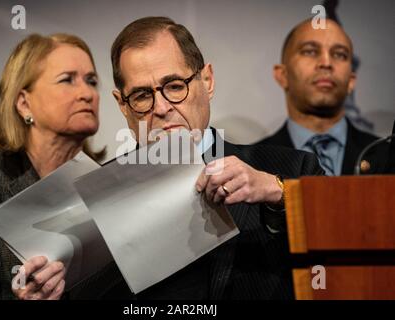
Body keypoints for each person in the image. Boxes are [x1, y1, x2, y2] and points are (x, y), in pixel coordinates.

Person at [107, 16, 323, 299]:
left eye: (174, 86)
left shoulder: (290, 169)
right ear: (123, 105)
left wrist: (278, 191)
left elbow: (348, 246)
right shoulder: (99, 198)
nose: (160, 108)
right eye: (141, 95)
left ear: (207, 81)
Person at [0, 33, 103, 299]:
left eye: (92, 81)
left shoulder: (105, 185)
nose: (87, 93)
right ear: (24, 103)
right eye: (67, 80)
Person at [257, 18, 388, 175]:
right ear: (282, 75)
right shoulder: (253, 164)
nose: (326, 63)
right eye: (310, 51)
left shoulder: (387, 156)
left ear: (351, 81)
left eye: (339, 55)